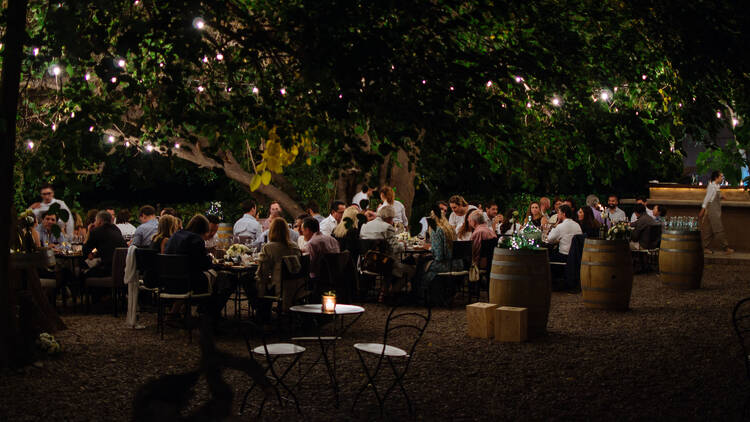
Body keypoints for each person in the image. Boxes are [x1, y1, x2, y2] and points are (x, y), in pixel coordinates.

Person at [255, 218, 302, 309]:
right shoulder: (295, 246)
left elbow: (262, 274)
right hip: (297, 288)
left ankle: (261, 312)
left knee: (249, 281)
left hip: (279, 288)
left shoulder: (269, 248)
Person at [418, 206, 462, 301]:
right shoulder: (450, 229)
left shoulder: (436, 230)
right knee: (424, 263)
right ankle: (442, 293)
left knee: (420, 265)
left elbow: (439, 256)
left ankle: (421, 295)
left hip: (446, 265)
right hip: (458, 264)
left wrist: (429, 248)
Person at [164, 215, 214, 293]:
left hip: (167, 281)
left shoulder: (175, 235)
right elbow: (203, 265)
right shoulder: (196, 239)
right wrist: (210, 258)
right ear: (203, 230)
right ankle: (206, 305)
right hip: (186, 283)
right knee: (220, 280)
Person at [82, 211, 127, 277]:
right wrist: (94, 252)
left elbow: (85, 250)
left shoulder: (96, 231)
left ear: (100, 221)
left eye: (95, 221)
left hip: (106, 270)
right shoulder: (116, 230)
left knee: (82, 274)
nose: (94, 223)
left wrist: (89, 231)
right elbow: (105, 247)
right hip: (122, 271)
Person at [699, 170, 734, 254]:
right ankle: (726, 248)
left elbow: (716, 195)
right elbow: (707, 199)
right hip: (713, 211)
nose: (722, 178)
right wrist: (702, 210)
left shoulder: (716, 186)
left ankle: (704, 248)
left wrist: (723, 197)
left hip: (715, 210)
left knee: (709, 230)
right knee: (719, 229)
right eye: (721, 176)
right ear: (716, 177)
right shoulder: (712, 186)